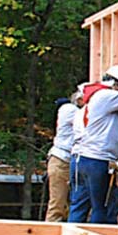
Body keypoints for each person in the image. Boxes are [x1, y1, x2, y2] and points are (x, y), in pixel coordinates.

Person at [70, 65, 118, 224]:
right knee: (103, 209)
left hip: (80, 159)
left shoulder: (89, 102)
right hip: (97, 160)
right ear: (117, 85)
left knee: (78, 207)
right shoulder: (106, 96)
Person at [45, 89, 83, 222]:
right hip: (61, 160)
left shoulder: (73, 110)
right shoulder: (69, 109)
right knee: (57, 205)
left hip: (71, 161)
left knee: (73, 205)